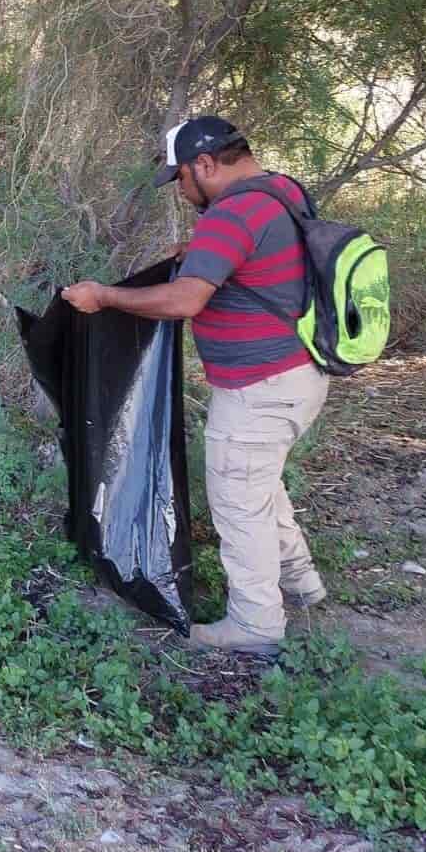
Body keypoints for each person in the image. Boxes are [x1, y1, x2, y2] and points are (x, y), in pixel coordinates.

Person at [61, 116, 328, 657]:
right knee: (260, 486)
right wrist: (200, 257)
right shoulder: (280, 193)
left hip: (261, 388)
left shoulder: (232, 213)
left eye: (181, 179)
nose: (182, 192)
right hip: (299, 376)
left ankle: (255, 626)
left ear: (205, 165)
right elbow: (254, 265)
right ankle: (301, 584)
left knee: (238, 501)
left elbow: (184, 302)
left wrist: (106, 297)